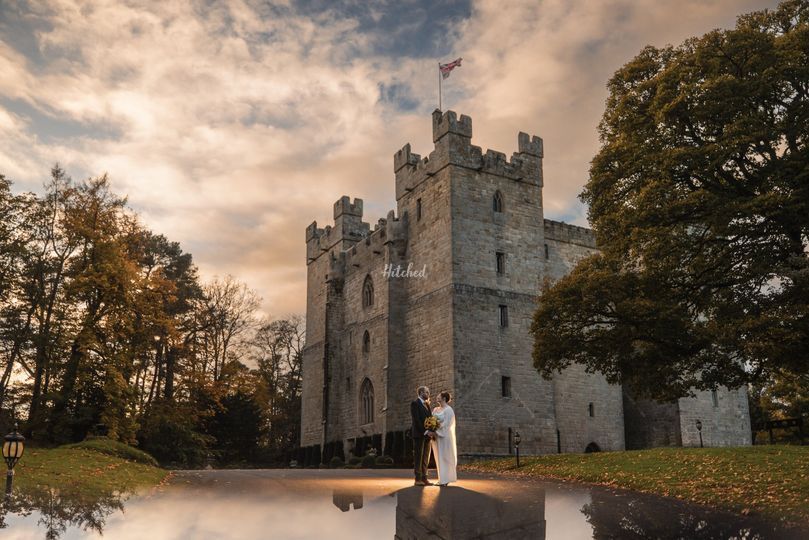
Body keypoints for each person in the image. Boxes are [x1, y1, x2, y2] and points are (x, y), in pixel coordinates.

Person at [430, 391, 457, 486]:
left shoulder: (449, 410)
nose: (437, 397)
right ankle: (441, 479)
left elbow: (447, 424)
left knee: (445, 457)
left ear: (444, 398)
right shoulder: (436, 409)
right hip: (437, 437)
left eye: (439, 396)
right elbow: (431, 420)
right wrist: (431, 430)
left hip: (444, 436)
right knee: (438, 457)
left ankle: (445, 479)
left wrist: (436, 431)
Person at [410, 386, 434, 486]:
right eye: (426, 392)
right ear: (420, 392)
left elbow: (431, 419)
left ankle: (425, 478)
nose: (428, 394)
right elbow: (417, 420)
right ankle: (417, 479)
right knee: (418, 457)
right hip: (419, 434)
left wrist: (432, 430)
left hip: (428, 435)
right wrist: (425, 431)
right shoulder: (415, 404)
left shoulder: (427, 405)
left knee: (426, 458)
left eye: (428, 392)